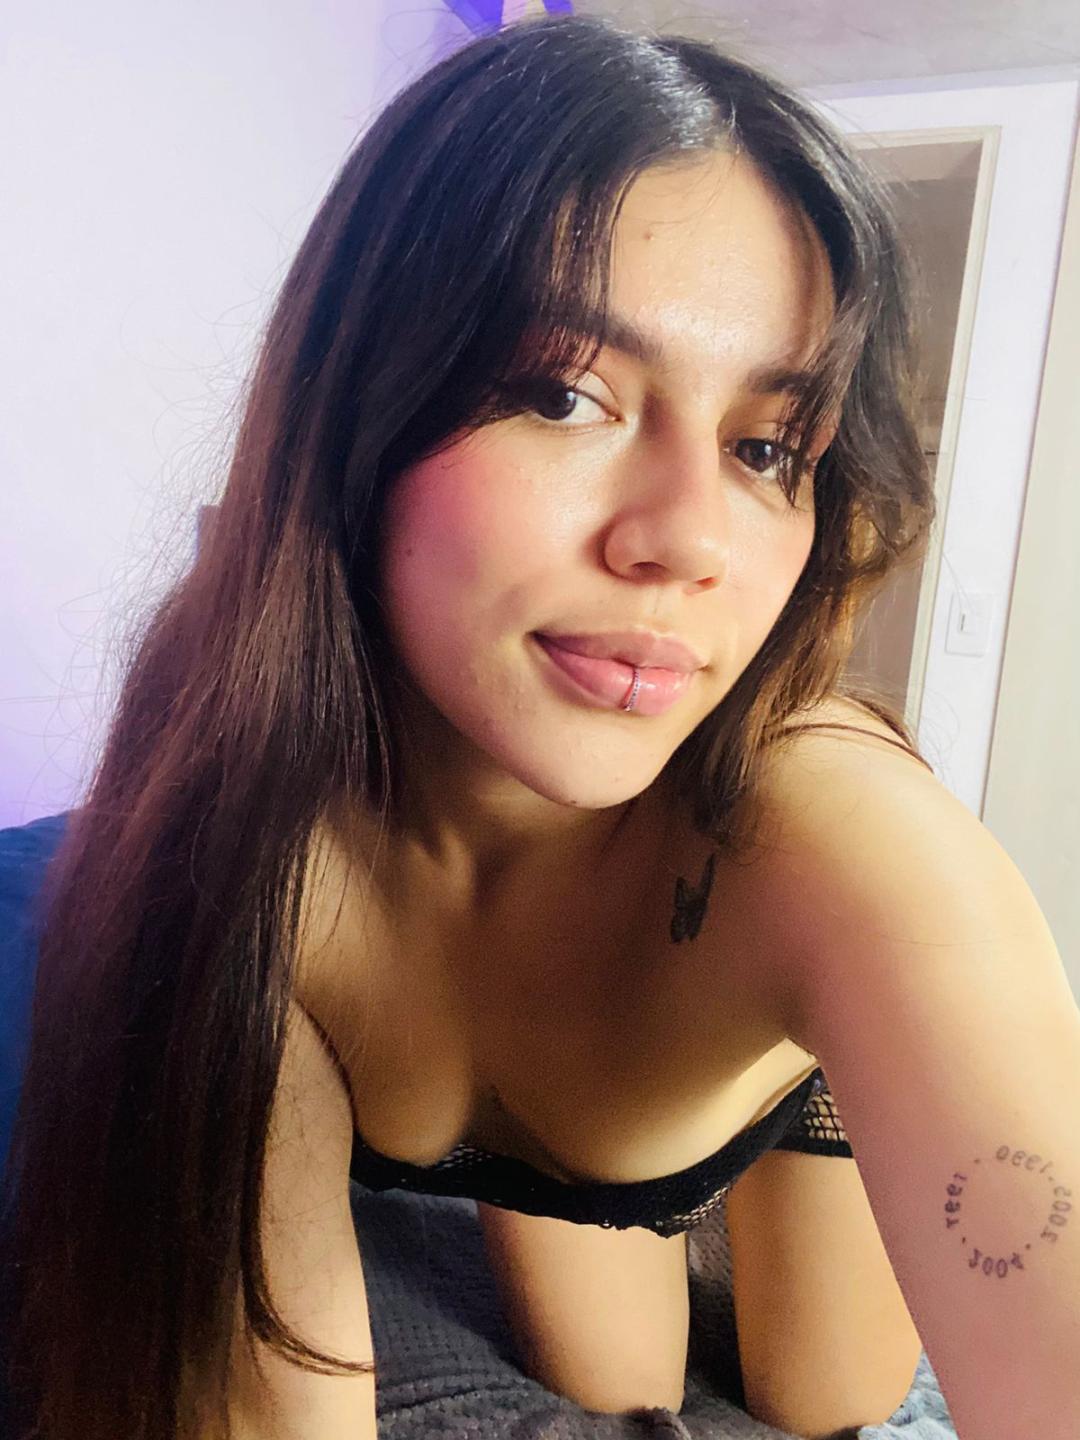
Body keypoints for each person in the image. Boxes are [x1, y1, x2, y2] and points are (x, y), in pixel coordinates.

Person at [4, 14, 1079, 1440]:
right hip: (530, 1069)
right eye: (564, 394)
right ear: (357, 414)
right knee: (612, 1394)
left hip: (743, 1061)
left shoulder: (846, 837)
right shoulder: (243, 834)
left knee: (832, 1399)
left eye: (767, 448)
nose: (690, 541)